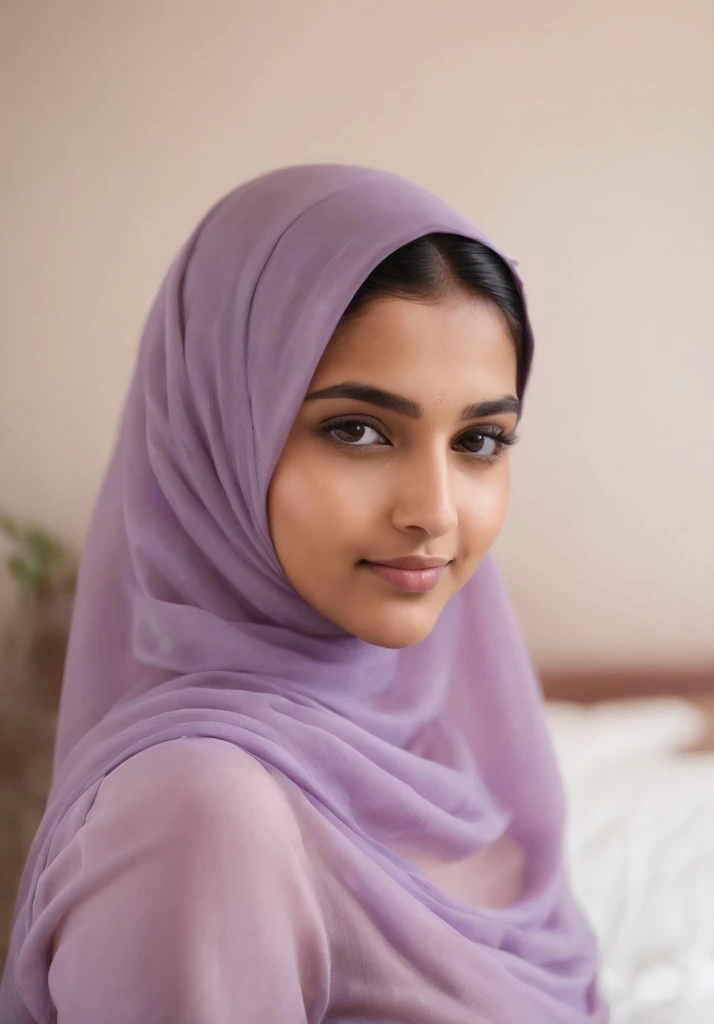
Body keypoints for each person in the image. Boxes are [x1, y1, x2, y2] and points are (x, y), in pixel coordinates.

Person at [0, 165, 608, 1023]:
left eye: (480, 440)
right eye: (355, 430)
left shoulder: (460, 766)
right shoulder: (195, 816)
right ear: (216, 437)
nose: (433, 511)